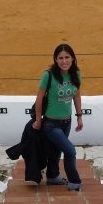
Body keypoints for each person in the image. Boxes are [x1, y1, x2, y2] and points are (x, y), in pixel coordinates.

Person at [32, 44, 83, 191]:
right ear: (55, 59)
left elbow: (77, 95)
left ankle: (53, 176)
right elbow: (39, 99)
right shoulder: (48, 75)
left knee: (57, 151)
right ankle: (75, 181)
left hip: (67, 121)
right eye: (60, 58)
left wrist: (79, 116)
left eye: (67, 57)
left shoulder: (76, 74)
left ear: (73, 58)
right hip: (50, 125)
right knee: (70, 151)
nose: (64, 61)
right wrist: (38, 120)